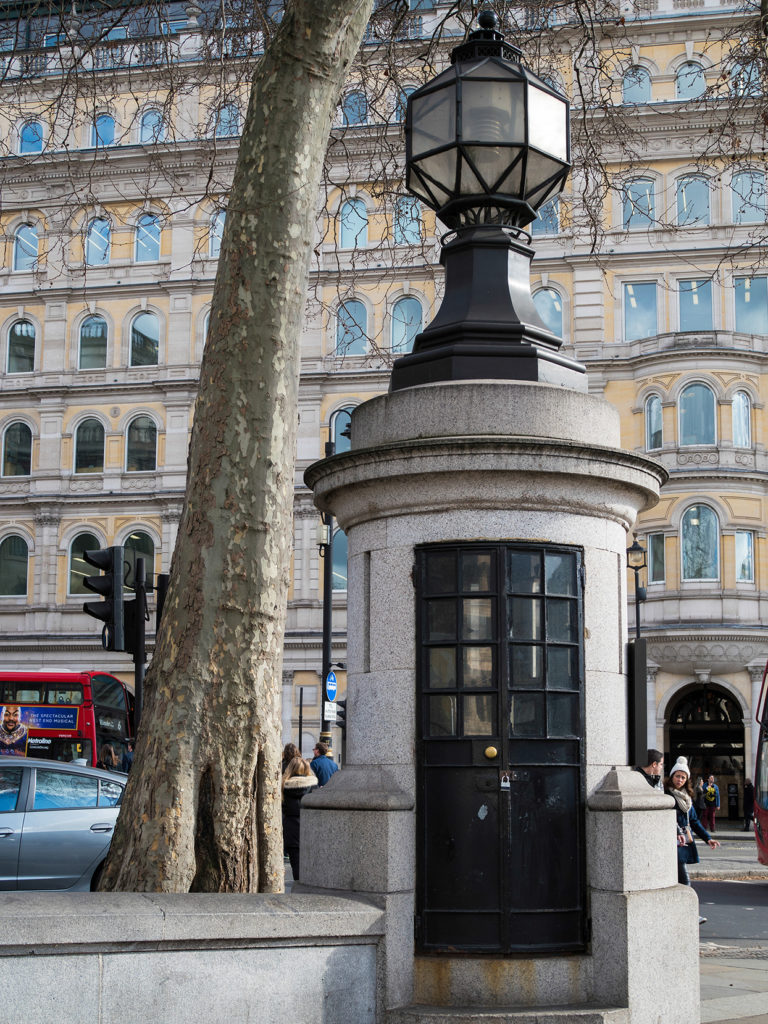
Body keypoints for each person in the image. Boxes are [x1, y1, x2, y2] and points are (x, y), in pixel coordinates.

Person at [665, 756, 720, 923]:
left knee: (678, 881)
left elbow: (694, 821)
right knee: (684, 879)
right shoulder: (666, 795)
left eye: (683, 777)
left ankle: (680, 914)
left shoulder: (686, 797)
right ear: (672, 776)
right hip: (672, 843)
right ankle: (690, 915)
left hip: (683, 841)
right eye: (677, 776)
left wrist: (708, 838)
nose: (680, 779)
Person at [282, 756, 318, 882]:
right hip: (310, 828)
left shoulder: (283, 786)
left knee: (295, 864)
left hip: (291, 829)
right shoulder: (314, 786)